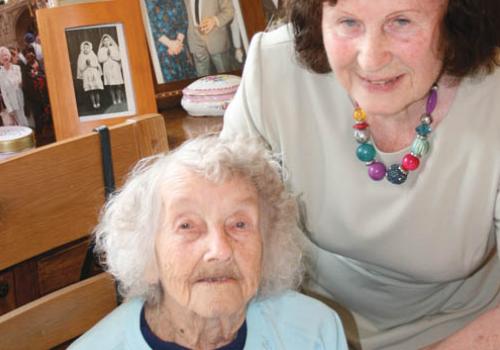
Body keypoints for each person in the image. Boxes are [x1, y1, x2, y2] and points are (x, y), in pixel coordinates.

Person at [221, 0, 500, 349]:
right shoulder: (274, 70)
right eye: (348, 22)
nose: (370, 59)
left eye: (401, 21)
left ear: (457, 18)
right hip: (305, 329)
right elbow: (219, 226)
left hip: (461, 333)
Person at [69, 135, 348, 349]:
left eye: (239, 224)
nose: (220, 250)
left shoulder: (315, 331)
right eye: (187, 226)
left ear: (269, 243)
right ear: (148, 256)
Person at [145, 0, 198, 83]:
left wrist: (178, 41)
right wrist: (170, 44)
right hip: (163, 49)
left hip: (179, 46)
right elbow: (150, 25)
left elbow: (184, 19)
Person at [184, 0, 235, 76]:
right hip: (195, 40)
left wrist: (214, 20)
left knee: (226, 76)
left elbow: (230, 10)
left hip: (216, 40)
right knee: (202, 79)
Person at [0, 46, 29, 127]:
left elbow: (20, 82)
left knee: (26, 120)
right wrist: (9, 109)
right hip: (12, 103)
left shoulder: (17, 68)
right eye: (2, 56)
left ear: (9, 56)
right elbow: (4, 93)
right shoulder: (0, 74)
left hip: (22, 98)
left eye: (6, 55)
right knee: (19, 124)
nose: (5, 57)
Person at [97, 34, 125, 105]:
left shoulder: (114, 48)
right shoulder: (101, 50)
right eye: (104, 41)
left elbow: (119, 57)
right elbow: (100, 60)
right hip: (107, 68)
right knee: (111, 85)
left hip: (115, 67)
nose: (106, 42)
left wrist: (111, 55)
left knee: (118, 84)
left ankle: (119, 99)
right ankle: (114, 100)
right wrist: (107, 55)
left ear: (110, 41)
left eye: (107, 40)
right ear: (103, 43)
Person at [77, 41, 104, 110]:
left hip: (93, 73)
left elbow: (97, 64)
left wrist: (91, 63)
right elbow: (80, 68)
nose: (86, 49)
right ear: (82, 48)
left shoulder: (93, 55)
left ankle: (98, 103)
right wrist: (86, 64)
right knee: (91, 90)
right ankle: (94, 104)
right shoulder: (81, 56)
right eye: (84, 48)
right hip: (87, 74)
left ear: (90, 48)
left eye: (87, 47)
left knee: (96, 90)